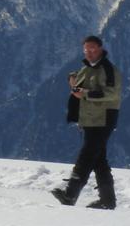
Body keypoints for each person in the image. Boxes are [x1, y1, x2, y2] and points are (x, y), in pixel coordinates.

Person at [51, 35, 121, 209]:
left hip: (103, 118)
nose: (89, 52)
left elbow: (112, 93)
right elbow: (79, 82)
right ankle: (107, 201)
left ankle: (70, 194)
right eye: (86, 49)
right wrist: (73, 79)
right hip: (90, 119)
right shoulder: (87, 68)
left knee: (87, 155)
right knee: (98, 159)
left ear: (100, 49)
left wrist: (85, 93)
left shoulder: (108, 69)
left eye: (92, 49)